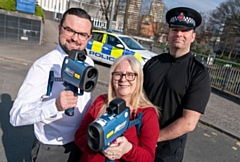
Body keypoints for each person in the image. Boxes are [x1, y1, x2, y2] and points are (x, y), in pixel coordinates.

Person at [9, 8, 94, 162]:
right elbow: (16, 116)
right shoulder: (43, 66)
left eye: (82, 34)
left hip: (82, 143)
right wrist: (54, 105)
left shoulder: (89, 63)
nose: (75, 38)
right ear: (60, 28)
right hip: (53, 149)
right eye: (70, 30)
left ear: (89, 38)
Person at [143, 7, 211, 162]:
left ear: (193, 36)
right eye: (175, 29)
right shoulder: (153, 63)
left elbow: (188, 122)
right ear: (169, 33)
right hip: (139, 139)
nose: (179, 34)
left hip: (167, 152)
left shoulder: (198, 73)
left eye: (184, 31)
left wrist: (154, 139)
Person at [74, 55, 160, 162]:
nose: (123, 79)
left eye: (130, 75)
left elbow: (148, 158)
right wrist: (98, 145)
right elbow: (80, 135)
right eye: (118, 74)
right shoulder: (101, 101)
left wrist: (128, 149)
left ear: (139, 79)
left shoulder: (147, 113)